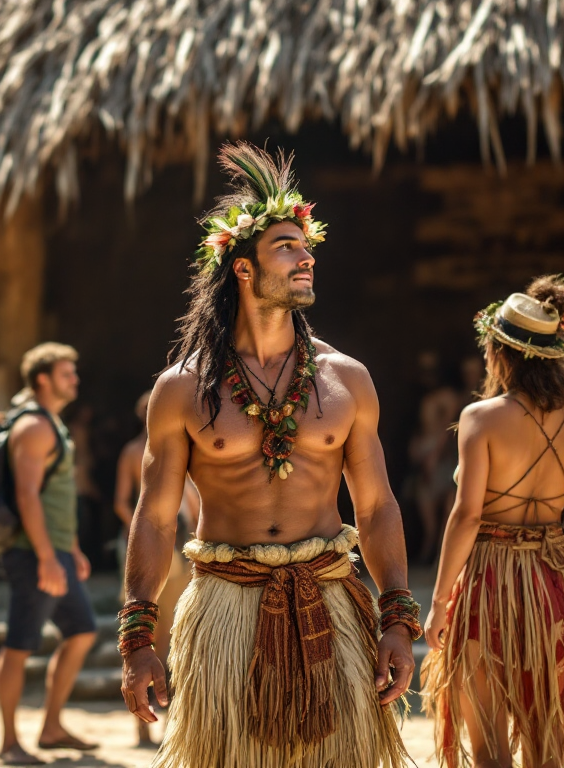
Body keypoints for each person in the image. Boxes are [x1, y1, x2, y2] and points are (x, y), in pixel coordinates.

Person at [120, 143, 416, 768]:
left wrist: (396, 616)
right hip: (227, 603)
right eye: (287, 246)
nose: (307, 257)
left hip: (330, 598)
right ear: (244, 268)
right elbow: (153, 517)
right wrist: (137, 636)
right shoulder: (182, 388)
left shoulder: (347, 379)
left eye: (307, 246)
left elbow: (377, 505)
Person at [420, 277, 564, 768]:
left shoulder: (480, 418)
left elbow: (467, 515)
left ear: (500, 353)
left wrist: (439, 602)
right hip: (556, 587)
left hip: (488, 584)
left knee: (490, 753)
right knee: (548, 750)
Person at [0, 342, 98, 765]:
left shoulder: (52, 424)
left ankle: (51, 728)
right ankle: (7, 741)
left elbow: (55, 496)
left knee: (82, 631)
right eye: (66, 373)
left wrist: (70, 548)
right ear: (43, 379)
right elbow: (27, 495)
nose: (75, 379)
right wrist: (45, 556)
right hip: (31, 553)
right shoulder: (34, 427)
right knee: (20, 645)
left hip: (54, 550)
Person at [113, 389, 198, 747]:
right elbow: (122, 501)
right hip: (147, 545)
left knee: (172, 634)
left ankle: (168, 724)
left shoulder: (190, 447)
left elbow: (194, 499)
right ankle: (141, 726)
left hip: (179, 546)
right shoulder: (134, 452)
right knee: (140, 634)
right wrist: (145, 528)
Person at [407, 353, 463, 565]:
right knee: (423, 503)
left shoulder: (448, 396)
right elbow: (421, 425)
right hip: (424, 451)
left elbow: (448, 428)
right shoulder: (424, 396)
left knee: (443, 506)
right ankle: (427, 549)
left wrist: (434, 455)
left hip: (440, 456)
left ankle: (436, 553)